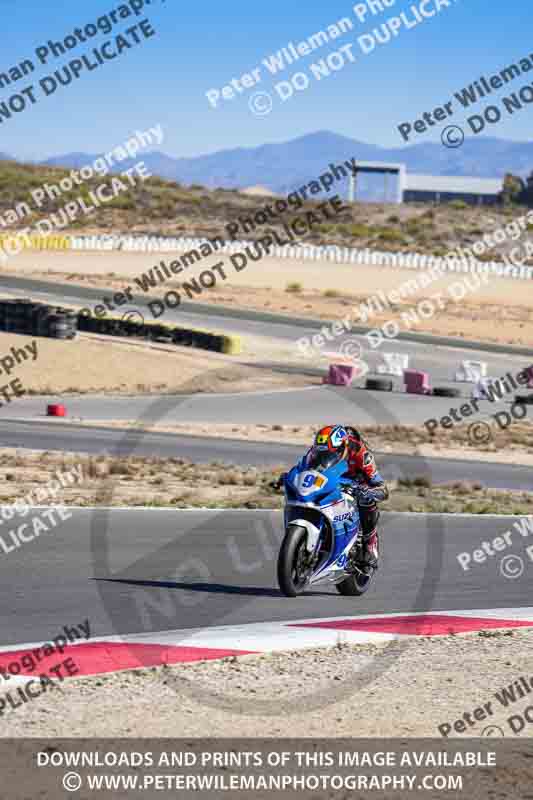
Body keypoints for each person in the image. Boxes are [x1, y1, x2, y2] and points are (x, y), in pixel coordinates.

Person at [276, 425, 388, 568]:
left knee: (366, 501)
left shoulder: (361, 454)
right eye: (322, 452)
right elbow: (305, 468)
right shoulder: (317, 450)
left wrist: (366, 490)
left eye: (332, 452)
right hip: (333, 480)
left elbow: (382, 489)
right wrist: (288, 477)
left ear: (344, 446)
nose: (326, 455)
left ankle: (369, 544)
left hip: (356, 483)